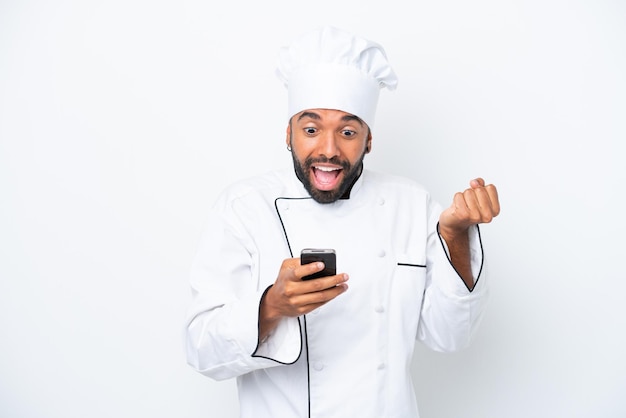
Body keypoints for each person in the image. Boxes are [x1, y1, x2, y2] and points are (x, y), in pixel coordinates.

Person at [185, 26, 500, 418]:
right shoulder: (245, 207)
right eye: (311, 129)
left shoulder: (412, 204)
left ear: (369, 139)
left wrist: (454, 234)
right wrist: (271, 306)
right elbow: (201, 350)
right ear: (289, 133)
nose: (329, 150)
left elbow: (450, 335)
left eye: (348, 132)